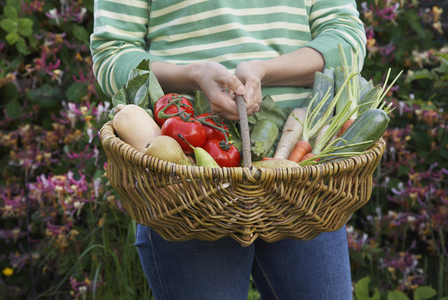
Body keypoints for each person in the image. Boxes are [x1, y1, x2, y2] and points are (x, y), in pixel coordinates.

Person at [91, 1, 366, 299]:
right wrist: (195, 74)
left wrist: (264, 71)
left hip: (304, 177)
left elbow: (345, 38)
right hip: (186, 183)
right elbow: (112, 53)